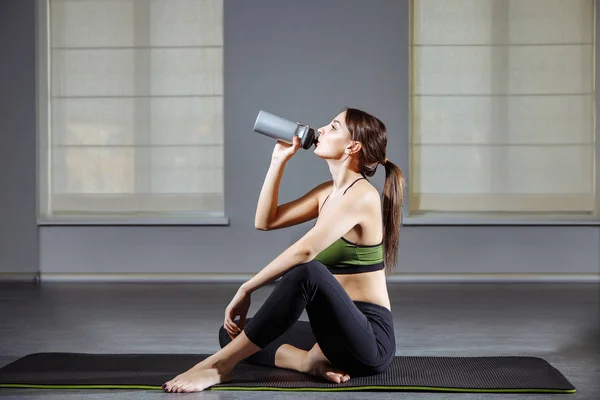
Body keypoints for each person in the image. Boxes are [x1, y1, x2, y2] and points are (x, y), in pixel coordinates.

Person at [162, 107, 406, 393]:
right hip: (332, 332)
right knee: (233, 333)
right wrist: (277, 161)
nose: (322, 129)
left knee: (309, 271)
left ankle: (219, 367)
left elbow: (305, 252)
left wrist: (247, 288)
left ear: (353, 146)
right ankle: (308, 362)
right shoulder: (326, 192)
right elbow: (265, 221)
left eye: (334, 126)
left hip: (369, 343)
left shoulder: (362, 195)